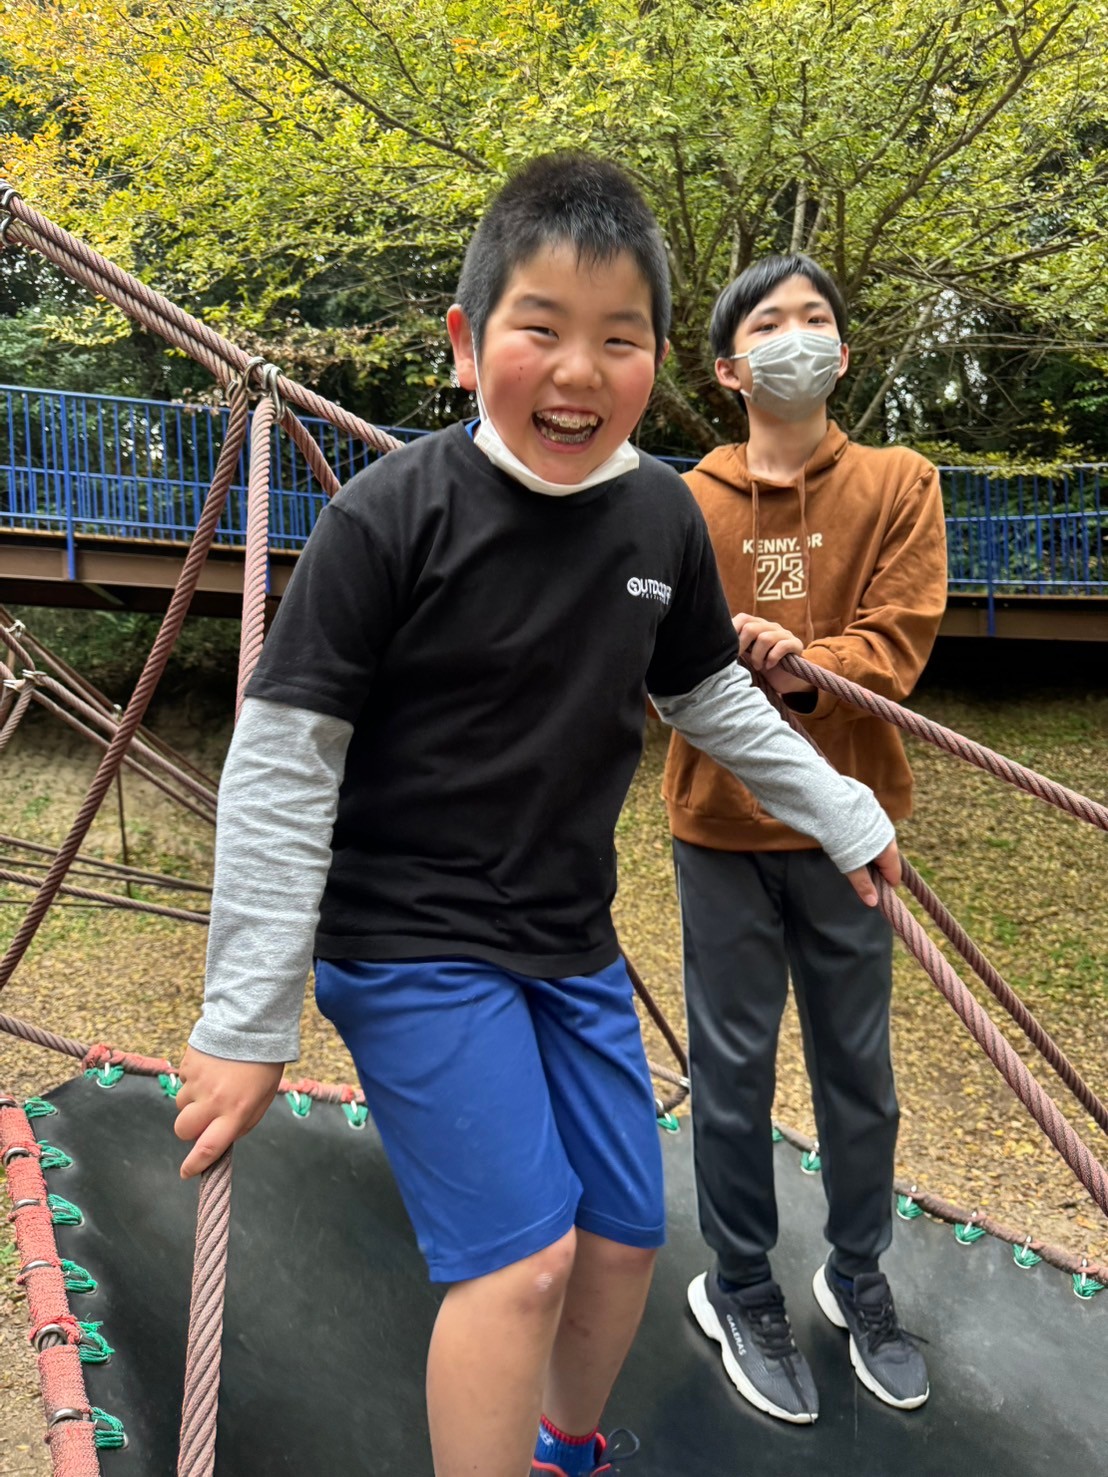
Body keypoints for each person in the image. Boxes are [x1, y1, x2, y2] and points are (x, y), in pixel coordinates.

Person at [173, 164, 900, 1477]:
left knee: (622, 1238)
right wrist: (245, 1021)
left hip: (568, 944)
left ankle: (564, 1452)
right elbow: (283, 768)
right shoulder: (389, 517)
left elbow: (710, 697)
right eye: (541, 328)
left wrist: (842, 809)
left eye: (619, 338)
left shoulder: (660, 514)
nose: (577, 370)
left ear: (659, 363)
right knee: (523, 1265)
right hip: (409, 939)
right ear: (466, 345)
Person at [663, 254, 947, 1425]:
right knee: (730, 1074)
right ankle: (738, 1285)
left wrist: (798, 662)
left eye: (814, 319)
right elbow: (657, 657)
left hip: (853, 834)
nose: (797, 336)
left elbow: (900, 637)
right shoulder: (680, 502)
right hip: (718, 827)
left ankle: (857, 1274)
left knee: (858, 1073)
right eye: (769, 324)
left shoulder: (898, 481)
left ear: (842, 352)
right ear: (729, 371)